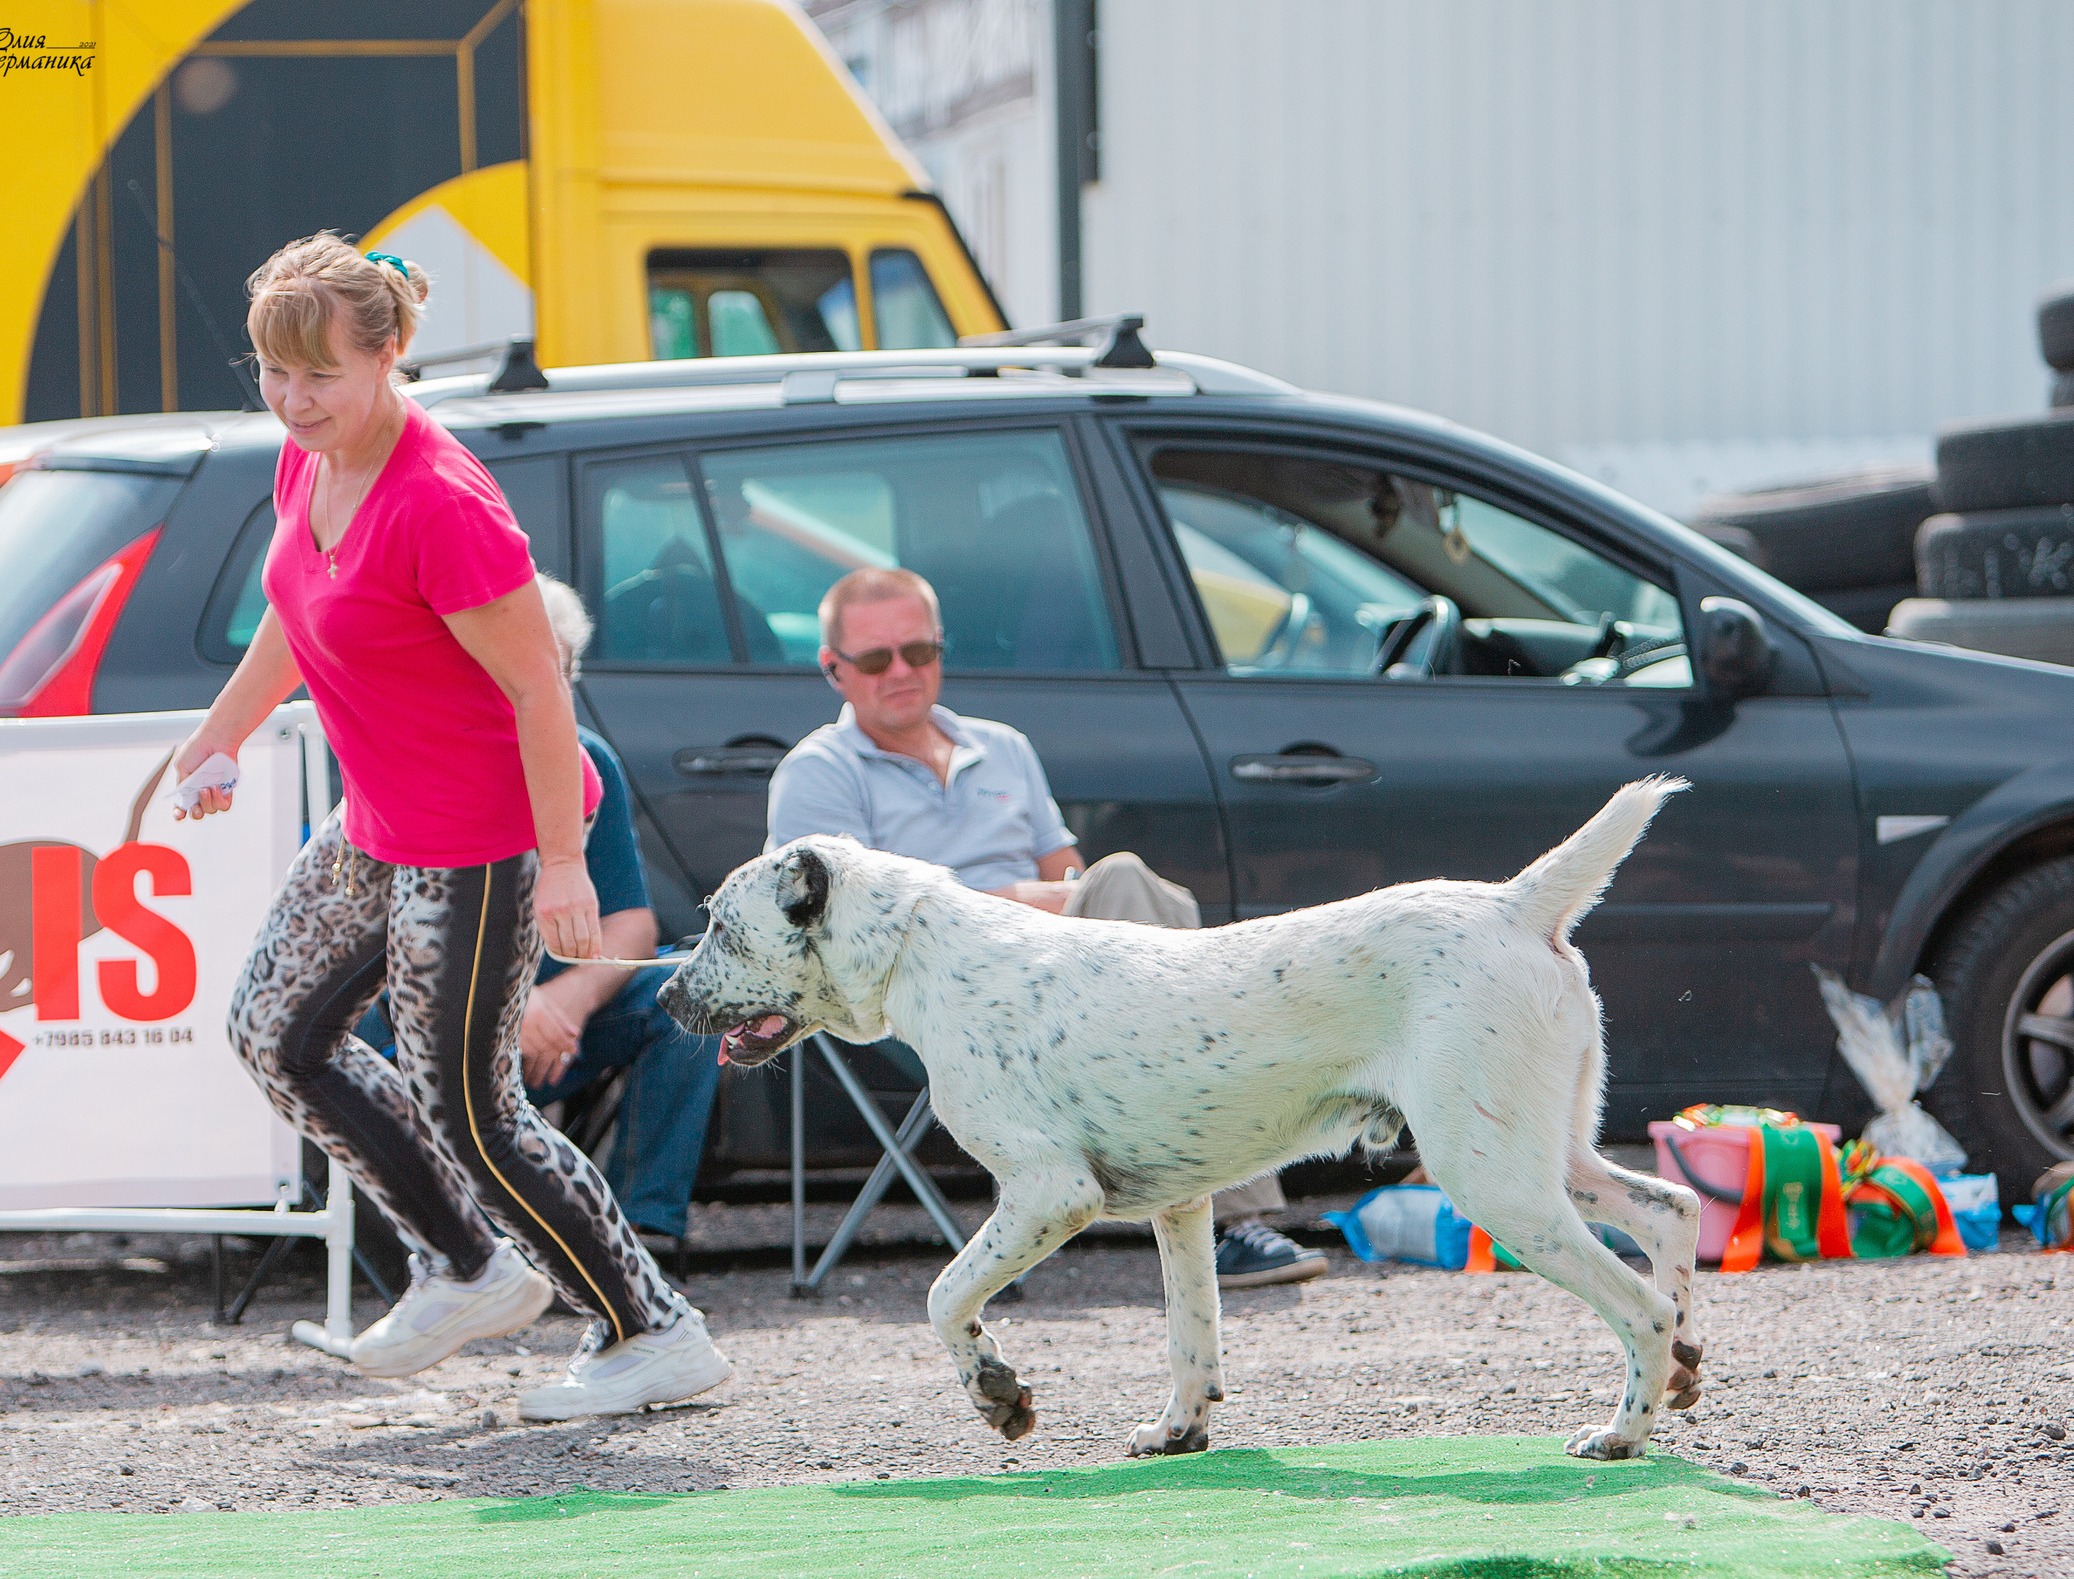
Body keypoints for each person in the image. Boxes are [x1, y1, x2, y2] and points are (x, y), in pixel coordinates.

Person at [177, 234, 730, 1419]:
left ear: (390, 357)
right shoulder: (306, 459)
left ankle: (653, 1330)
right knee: (275, 1034)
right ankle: (467, 1266)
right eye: (272, 373)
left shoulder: (443, 503)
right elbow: (295, 611)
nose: (290, 399)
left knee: (472, 1109)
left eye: (317, 374)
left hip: (482, 838)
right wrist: (222, 731)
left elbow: (541, 691)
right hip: (377, 822)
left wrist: (568, 864)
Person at [766, 567, 1329, 1287]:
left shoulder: (1003, 747)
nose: (903, 671)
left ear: (941, 647)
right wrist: (1027, 903)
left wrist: (1038, 903)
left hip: (1055, 983)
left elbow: (1070, 871)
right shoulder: (817, 773)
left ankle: (1208, 1201)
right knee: (1138, 896)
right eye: (878, 659)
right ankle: (1229, 1218)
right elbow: (838, 934)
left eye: (920, 651)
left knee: (1144, 902)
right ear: (833, 669)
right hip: (930, 1003)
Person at [358, 578, 723, 1261]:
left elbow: (632, 923)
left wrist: (565, 998)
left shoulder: (590, 762)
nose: (527, 693)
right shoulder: (407, 760)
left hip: (558, 1022)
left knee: (690, 993)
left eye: (548, 673)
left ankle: (637, 1232)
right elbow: (372, 949)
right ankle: (473, 1249)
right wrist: (503, 1007)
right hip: (430, 1032)